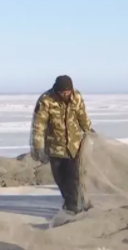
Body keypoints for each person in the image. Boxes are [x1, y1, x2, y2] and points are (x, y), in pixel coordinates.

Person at [30, 75, 93, 214]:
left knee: (74, 178)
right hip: (55, 147)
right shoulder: (46, 100)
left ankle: (74, 207)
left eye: (68, 92)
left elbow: (82, 117)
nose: (66, 94)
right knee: (61, 179)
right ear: (57, 90)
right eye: (63, 92)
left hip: (75, 146)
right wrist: (38, 146)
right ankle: (70, 203)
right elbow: (38, 125)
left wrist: (90, 131)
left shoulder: (76, 97)